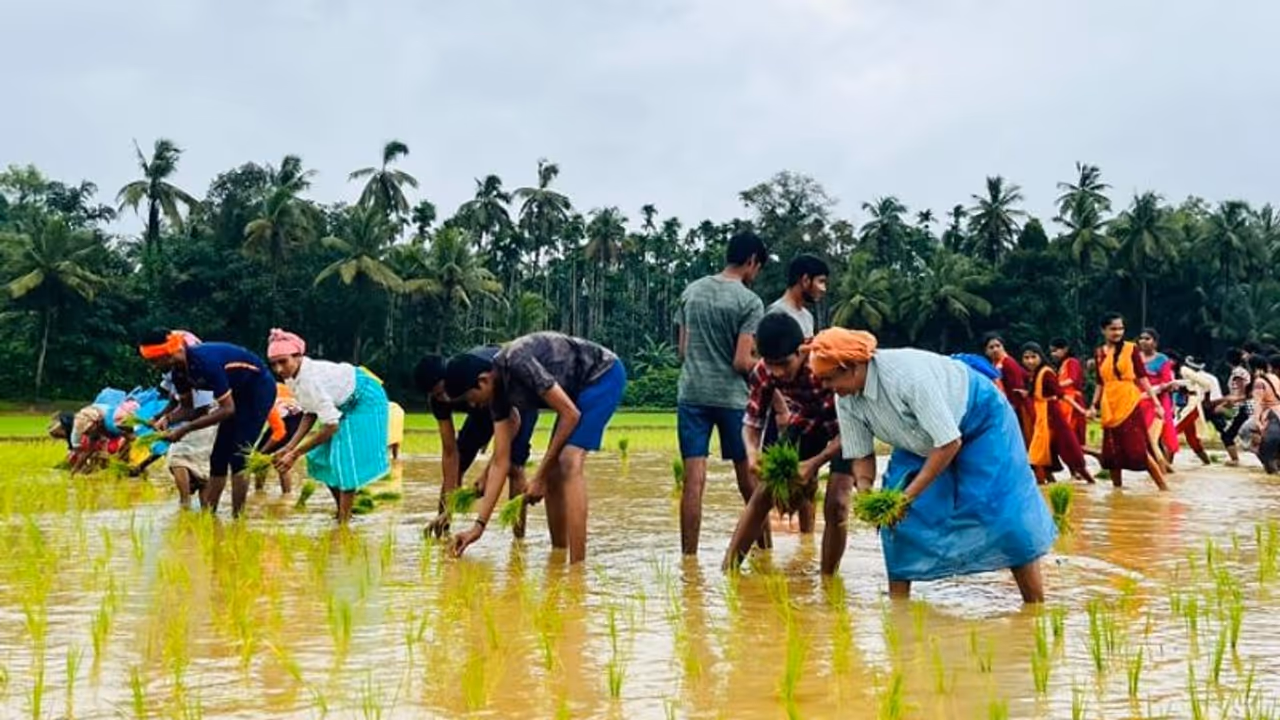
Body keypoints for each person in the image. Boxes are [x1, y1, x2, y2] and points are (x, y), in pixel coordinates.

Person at [809, 328, 1056, 603]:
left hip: (981, 421)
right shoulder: (845, 397)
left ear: (853, 367)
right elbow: (862, 454)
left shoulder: (906, 377)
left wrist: (907, 497)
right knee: (898, 525)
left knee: (1000, 510)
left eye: (830, 379)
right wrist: (867, 491)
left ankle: (1035, 608)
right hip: (920, 436)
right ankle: (899, 611)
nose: (827, 387)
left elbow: (949, 443)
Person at [447, 332, 627, 563]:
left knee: (568, 461)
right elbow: (501, 462)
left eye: (470, 398)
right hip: (573, 395)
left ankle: (577, 569)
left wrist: (539, 477)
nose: (472, 405)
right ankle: (559, 554)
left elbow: (570, 414)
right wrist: (478, 527)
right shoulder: (497, 395)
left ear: (483, 380)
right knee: (553, 472)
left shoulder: (517, 361)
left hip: (601, 375)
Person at [722, 313, 854, 575]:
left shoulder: (828, 359)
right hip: (806, 421)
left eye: (783, 364)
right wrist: (751, 454)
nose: (777, 373)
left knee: (837, 504)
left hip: (849, 427)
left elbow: (854, 429)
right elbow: (752, 421)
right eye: (770, 364)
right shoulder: (764, 372)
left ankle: (828, 581)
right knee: (763, 492)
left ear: (801, 351)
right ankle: (729, 571)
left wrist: (814, 464)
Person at [674, 231, 768, 556]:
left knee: (693, 481)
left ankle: (689, 557)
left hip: (692, 394)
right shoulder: (749, 302)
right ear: (752, 261)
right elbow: (742, 361)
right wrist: (770, 367)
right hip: (731, 399)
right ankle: (764, 551)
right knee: (749, 482)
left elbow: (683, 350)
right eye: (758, 268)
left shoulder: (692, 291)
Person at [138, 330, 277, 517]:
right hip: (233, 393)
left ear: (168, 354)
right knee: (218, 457)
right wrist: (168, 419)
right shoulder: (180, 373)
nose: (153, 367)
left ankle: (238, 518)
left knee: (239, 455)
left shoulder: (205, 363)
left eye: (154, 361)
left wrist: (185, 429)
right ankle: (209, 516)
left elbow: (227, 409)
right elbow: (195, 409)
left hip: (256, 390)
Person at [265, 329, 390, 524]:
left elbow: (331, 426)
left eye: (283, 361)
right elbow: (310, 411)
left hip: (365, 400)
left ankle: (344, 523)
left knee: (344, 459)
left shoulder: (311, 379)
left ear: (298, 357)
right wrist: (289, 447)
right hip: (343, 405)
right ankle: (343, 510)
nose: (279, 369)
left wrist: (295, 453)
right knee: (319, 458)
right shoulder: (291, 378)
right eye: (274, 364)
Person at [415, 351, 539, 539]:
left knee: (514, 466)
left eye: (443, 392)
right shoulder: (439, 399)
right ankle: (443, 528)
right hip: (481, 408)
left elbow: (512, 424)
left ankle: (518, 541)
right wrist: (448, 508)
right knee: (460, 460)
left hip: (516, 402)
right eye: (436, 396)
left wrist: (487, 473)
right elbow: (450, 454)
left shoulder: (476, 378)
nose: (444, 399)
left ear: (449, 378)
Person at [761, 253, 831, 532]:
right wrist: (781, 408)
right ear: (805, 280)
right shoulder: (776, 314)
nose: (823, 289)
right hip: (783, 410)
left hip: (807, 410)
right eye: (821, 282)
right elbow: (766, 368)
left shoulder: (806, 317)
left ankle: (807, 541)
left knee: (808, 479)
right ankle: (762, 544)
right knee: (776, 480)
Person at [1087, 313, 1168, 490]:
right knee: (1112, 450)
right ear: (1104, 330)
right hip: (1109, 403)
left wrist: (1156, 403)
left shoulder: (1131, 349)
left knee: (1138, 447)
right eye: (1113, 329)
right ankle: (1117, 490)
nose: (1117, 332)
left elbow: (1142, 377)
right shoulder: (1099, 352)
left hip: (1129, 401)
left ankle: (1163, 488)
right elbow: (1100, 382)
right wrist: (1093, 405)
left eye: (1120, 328)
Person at [1021, 342, 1093, 483]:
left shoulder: (1046, 373)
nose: (1030, 361)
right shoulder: (1036, 373)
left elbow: (1062, 395)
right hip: (1042, 418)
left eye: (1033, 357)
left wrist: (1082, 411)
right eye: (1026, 357)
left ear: (1040, 356)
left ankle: (1043, 489)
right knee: (1044, 455)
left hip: (1051, 416)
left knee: (1041, 455)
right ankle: (1049, 486)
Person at [254, 382, 305, 494]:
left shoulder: (264, 401)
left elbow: (280, 432)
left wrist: (263, 451)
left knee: (266, 457)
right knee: (266, 456)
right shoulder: (276, 385)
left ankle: (265, 493)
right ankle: (262, 491)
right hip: (294, 417)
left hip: (293, 422)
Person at [1138, 328, 1178, 469]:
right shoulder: (1135, 358)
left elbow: (1167, 383)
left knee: (1156, 437)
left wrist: (1157, 390)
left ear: (1155, 343)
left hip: (1158, 401)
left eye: (1147, 338)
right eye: (1141, 338)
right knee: (1144, 438)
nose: (1143, 341)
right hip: (1139, 400)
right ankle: (1161, 469)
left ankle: (1163, 470)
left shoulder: (1162, 359)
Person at [1175, 357, 1225, 466]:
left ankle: (1165, 465)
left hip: (1190, 406)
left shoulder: (1184, 370)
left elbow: (1206, 384)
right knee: (1192, 439)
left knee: (1172, 432)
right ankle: (1207, 463)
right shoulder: (1177, 373)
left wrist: (1205, 398)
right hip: (1187, 405)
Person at [983, 332, 1031, 445]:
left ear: (1003, 347)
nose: (995, 349)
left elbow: (1017, 386)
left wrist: (1013, 407)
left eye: (998, 346)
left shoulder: (1008, 363)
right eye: (991, 347)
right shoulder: (995, 364)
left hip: (1016, 406)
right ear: (986, 351)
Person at [1049, 338, 1088, 446]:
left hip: (1073, 400)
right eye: (1051, 351)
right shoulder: (1063, 364)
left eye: (1055, 350)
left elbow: (1071, 379)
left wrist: (1054, 386)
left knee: (1072, 429)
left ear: (1065, 349)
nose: (1053, 354)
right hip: (1065, 400)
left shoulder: (1071, 362)